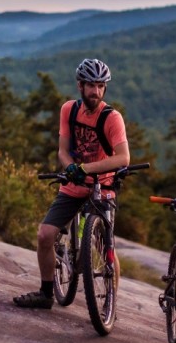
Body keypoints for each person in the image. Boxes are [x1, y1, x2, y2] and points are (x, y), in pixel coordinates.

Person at [13, 58, 130, 309]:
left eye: (101, 86)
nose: (96, 91)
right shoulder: (69, 110)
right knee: (45, 235)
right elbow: (63, 151)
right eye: (91, 85)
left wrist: (85, 169)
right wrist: (70, 168)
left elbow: (123, 158)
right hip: (73, 185)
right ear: (80, 86)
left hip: (101, 186)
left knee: (105, 245)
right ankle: (46, 293)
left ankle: (109, 302)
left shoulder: (112, 118)